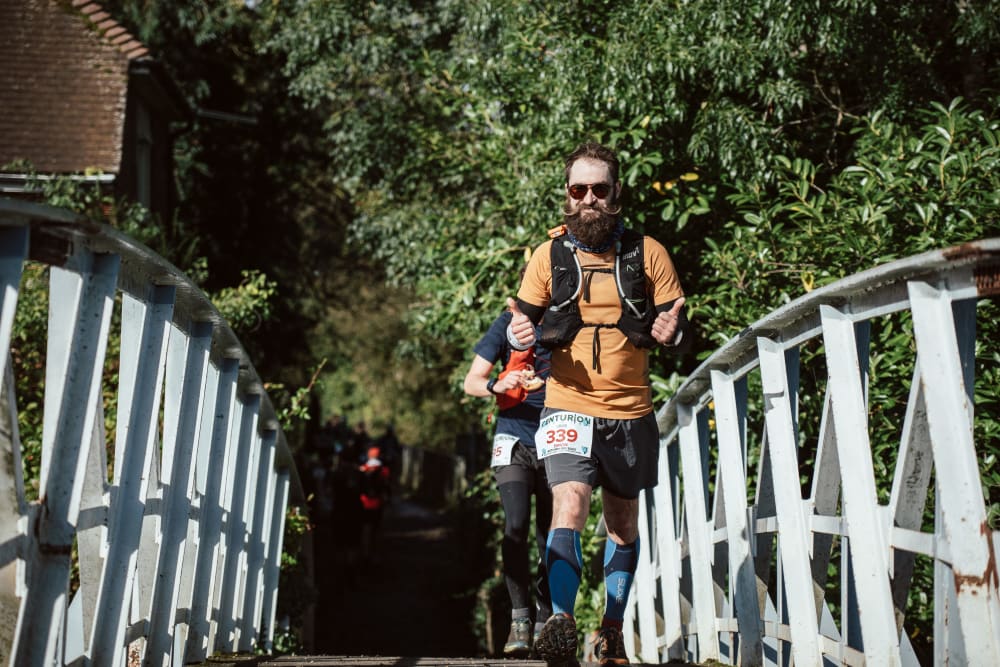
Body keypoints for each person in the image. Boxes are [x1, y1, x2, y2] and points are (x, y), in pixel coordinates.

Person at [507, 141, 690, 667]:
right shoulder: (547, 256)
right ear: (567, 195)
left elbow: (679, 329)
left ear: (616, 193)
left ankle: (610, 631)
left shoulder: (649, 253)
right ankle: (561, 622)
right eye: (578, 189)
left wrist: (674, 332)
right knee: (569, 502)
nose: (588, 198)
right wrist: (520, 334)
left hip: (630, 410)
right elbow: (521, 327)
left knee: (622, 524)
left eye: (599, 189)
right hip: (566, 402)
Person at [463, 307, 554, 659]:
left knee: (550, 533)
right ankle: (520, 620)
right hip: (513, 441)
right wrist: (497, 385)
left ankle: (547, 620)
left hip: (556, 439)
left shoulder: (567, 319)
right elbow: (471, 382)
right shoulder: (508, 323)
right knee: (516, 526)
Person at [358, 445, 391, 566]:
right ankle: (375, 555)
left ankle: (364, 553)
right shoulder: (384, 470)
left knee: (365, 529)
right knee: (376, 529)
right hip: (378, 503)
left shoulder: (363, 469)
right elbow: (386, 487)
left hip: (364, 503)